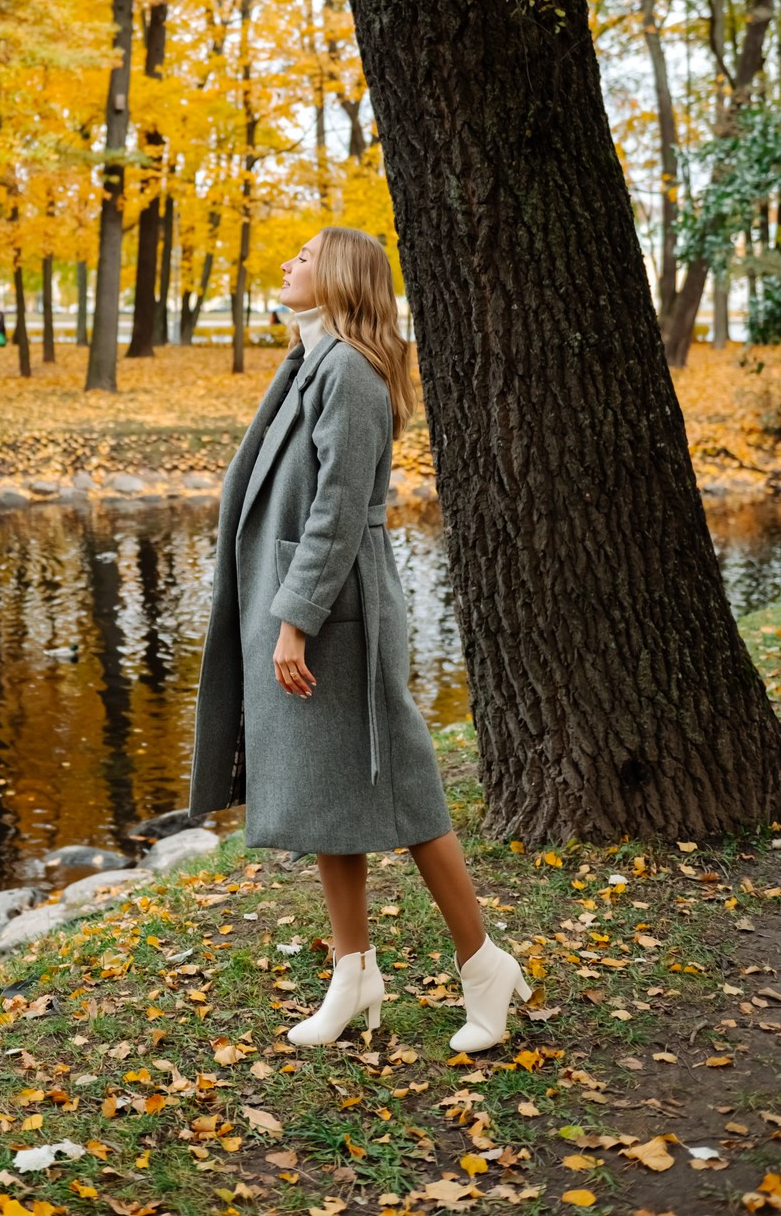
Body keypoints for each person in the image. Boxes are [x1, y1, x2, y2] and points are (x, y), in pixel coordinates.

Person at [188, 227, 532, 1051]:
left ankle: (484, 964)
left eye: (301, 256)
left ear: (338, 274)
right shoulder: (311, 360)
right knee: (323, 790)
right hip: (302, 603)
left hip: (336, 610)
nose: (286, 261)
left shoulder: (347, 370)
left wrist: (295, 620)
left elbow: (338, 509)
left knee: (403, 782)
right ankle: (354, 974)